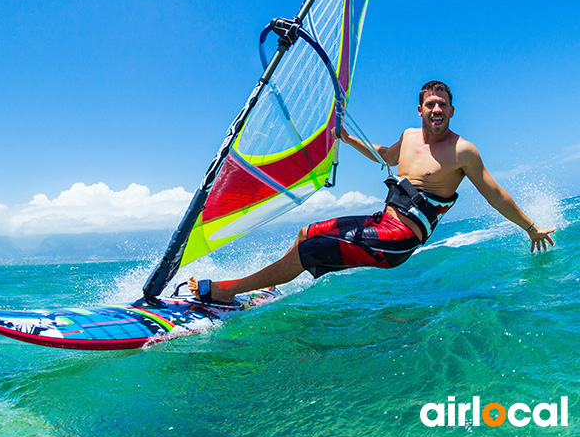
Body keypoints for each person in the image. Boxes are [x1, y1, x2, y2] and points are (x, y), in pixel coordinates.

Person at [188, 80, 555, 304]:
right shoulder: (411, 137)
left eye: (443, 105)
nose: (437, 109)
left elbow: (495, 194)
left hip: (398, 240)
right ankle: (268, 281)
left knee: (309, 250)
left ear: (452, 110)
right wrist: (345, 139)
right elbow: (384, 156)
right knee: (306, 234)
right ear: (421, 110)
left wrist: (530, 226)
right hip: (380, 221)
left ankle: (228, 290)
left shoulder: (463, 151)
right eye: (431, 104)